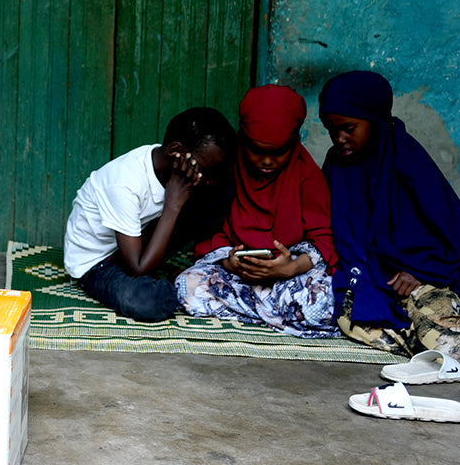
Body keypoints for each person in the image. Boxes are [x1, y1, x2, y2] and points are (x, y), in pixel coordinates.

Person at [319, 70, 460, 375]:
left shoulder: (407, 159)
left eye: (349, 128)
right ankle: (412, 336)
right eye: (331, 130)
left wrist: (418, 270)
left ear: (374, 121)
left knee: (442, 332)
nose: (339, 139)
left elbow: (456, 232)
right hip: (371, 276)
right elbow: (337, 230)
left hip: (426, 275)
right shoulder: (338, 165)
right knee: (351, 316)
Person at [174, 85, 339, 337]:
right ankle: (275, 315)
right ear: (242, 138)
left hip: (288, 277)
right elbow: (211, 227)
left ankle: (260, 312)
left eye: (278, 152)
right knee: (187, 286)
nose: (266, 161)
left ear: (294, 142)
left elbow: (324, 239)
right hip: (238, 275)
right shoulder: (226, 168)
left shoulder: (306, 174)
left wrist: (289, 268)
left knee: (323, 302)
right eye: (256, 150)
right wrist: (229, 261)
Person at [63, 107, 236, 321]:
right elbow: (138, 268)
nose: (209, 179)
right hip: (99, 262)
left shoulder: (176, 167)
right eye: (205, 170)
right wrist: (173, 203)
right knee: (151, 302)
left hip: (136, 241)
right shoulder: (124, 183)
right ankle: (177, 284)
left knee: (220, 191)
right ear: (176, 151)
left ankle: (196, 269)